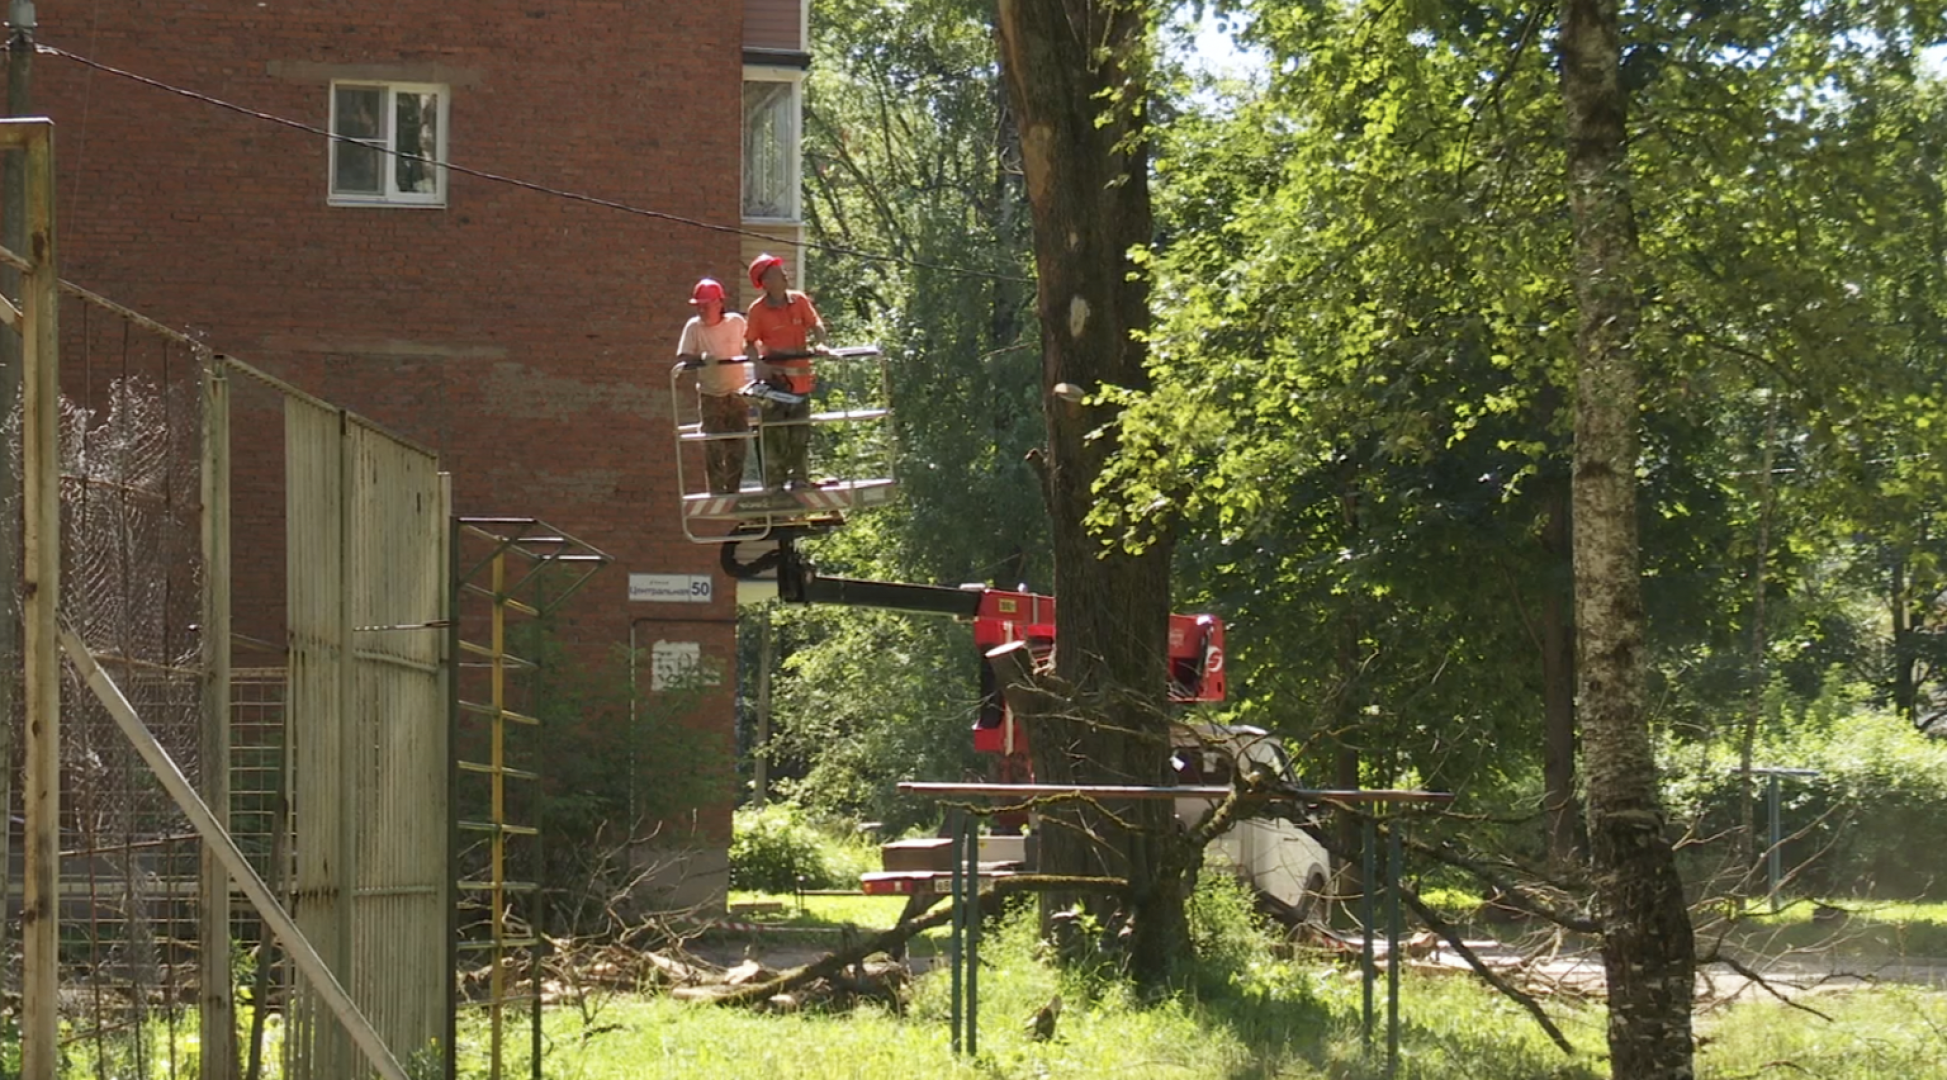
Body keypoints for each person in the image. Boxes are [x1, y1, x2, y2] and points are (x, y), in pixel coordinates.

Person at [743, 253, 827, 490]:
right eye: (778, 273)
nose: (785, 275)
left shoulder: (799, 301)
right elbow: (748, 343)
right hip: (776, 385)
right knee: (774, 435)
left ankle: (800, 479)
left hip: (801, 384)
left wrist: (821, 343)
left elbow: (816, 324)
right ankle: (774, 484)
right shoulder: (758, 310)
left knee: (800, 434)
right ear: (766, 282)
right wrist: (759, 364)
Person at [675, 278, 751, 494]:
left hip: (737, 394)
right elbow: (683, 356)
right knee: (713, 445)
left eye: (706, 305)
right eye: (698, 305)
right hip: (710, 395)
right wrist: (701, 358)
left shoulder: (736, 323)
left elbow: (752, 346)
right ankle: (717, 491)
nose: (702, 310)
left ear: (719, 303)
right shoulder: (694, 327)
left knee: (737, 444)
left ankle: (733, 490)